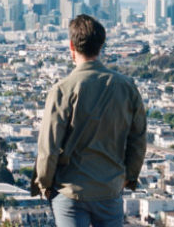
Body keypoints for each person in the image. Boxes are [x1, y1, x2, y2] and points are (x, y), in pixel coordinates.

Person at [35, 14, 147, 227]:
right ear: (101, 46)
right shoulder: (127, 87)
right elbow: (138, 140)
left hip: (70, 190)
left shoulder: (63, 89)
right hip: (109, 188)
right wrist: (127, 177)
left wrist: (44, 184)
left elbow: (48, 148)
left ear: (71, 45)